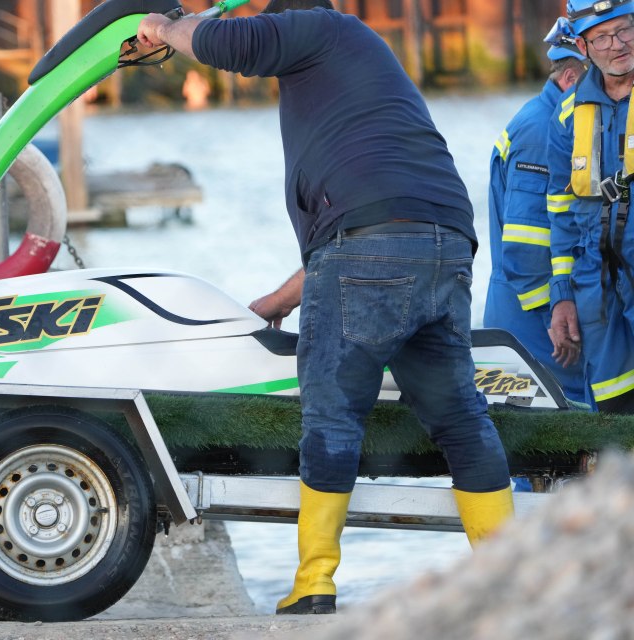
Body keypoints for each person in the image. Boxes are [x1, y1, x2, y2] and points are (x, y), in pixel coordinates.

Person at [138, 0, 514, 615]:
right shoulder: (354, 74)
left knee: (333, 417)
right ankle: (505, 578)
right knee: (461, 418)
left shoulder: (320, 25)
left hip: (376, 248)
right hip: (444, 245)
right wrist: (276, 302)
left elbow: (231, 45)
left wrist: (164, 28)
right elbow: (364, 227)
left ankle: (314, 584)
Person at [484, 20, 592, 407]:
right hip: (535, 333)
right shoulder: (541, 131)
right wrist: (558, 319)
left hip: (543, 326)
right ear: (569, 79)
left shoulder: (557, 125)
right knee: (548, 452)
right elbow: (526, 248)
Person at [547, 0, 634, 413]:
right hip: (595, 292)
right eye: (602, 36)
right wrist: (562, 297)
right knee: (613, 416)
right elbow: (560, 214)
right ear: (582, 47)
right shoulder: (566, 115)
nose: (618, 44)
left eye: (626, 30)